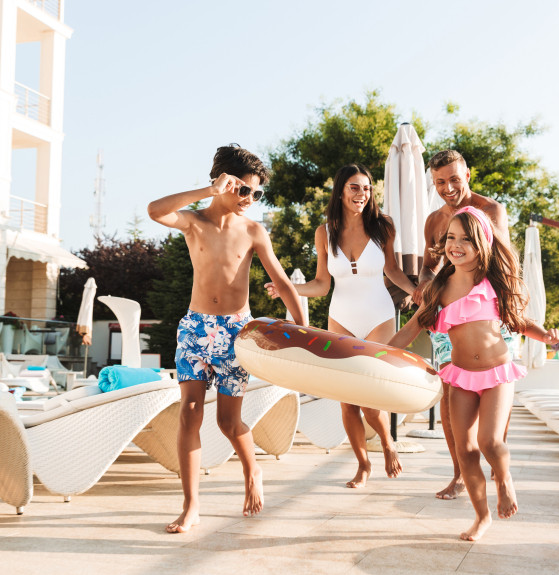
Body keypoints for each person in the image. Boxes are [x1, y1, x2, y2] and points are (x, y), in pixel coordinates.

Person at [147, 144, 307, 534]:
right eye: (243, 191)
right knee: (189, 412)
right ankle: (191, 506)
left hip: (237, 332)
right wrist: (208, 191)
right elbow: (155, 210)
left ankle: (252, 472)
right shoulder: (194, 221)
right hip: (195, 329)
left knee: (228, 421)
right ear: (223, 183)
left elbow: (283, 283)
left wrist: (302, 330)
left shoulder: (253, 231)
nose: (251, 199)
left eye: (257, 193)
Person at [389, 206, 559, 541]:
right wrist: (378, 353)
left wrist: (545, 335)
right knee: (464, 449)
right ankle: (482, 517)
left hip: (498, 373)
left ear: (483, 242)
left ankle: (505, 477)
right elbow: (410, 329)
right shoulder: (439, 287)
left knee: (489, 441)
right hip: (461, 376)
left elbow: (519, 321)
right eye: (451, 238)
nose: (456, 244)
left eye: (466, 238)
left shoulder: (494, 284)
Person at [265, 163, 417, 488]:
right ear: (340, 190)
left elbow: (393, 271)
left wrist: (418, 292)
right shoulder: (325, 232)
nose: (361, 194)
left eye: (366, 188)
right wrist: (287, 290)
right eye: (354, 187)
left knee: (369, 394)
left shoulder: (384, 226)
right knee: (347, 400)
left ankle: (388, 443)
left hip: (379, 316)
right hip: (341, 318)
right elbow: (321, 284)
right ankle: (363, 464)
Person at [414, 149, 514, 501]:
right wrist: (426, 286)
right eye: (440, 182)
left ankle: (497, 462)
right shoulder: (433, 222)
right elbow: (427, 267)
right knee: (450, 396)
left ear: (467, 175)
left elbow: (502, 262)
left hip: (488, 314)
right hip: (448, 316)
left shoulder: (490, 211)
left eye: (454, 179)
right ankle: (460, 473)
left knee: (495, 390)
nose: (448, 188)